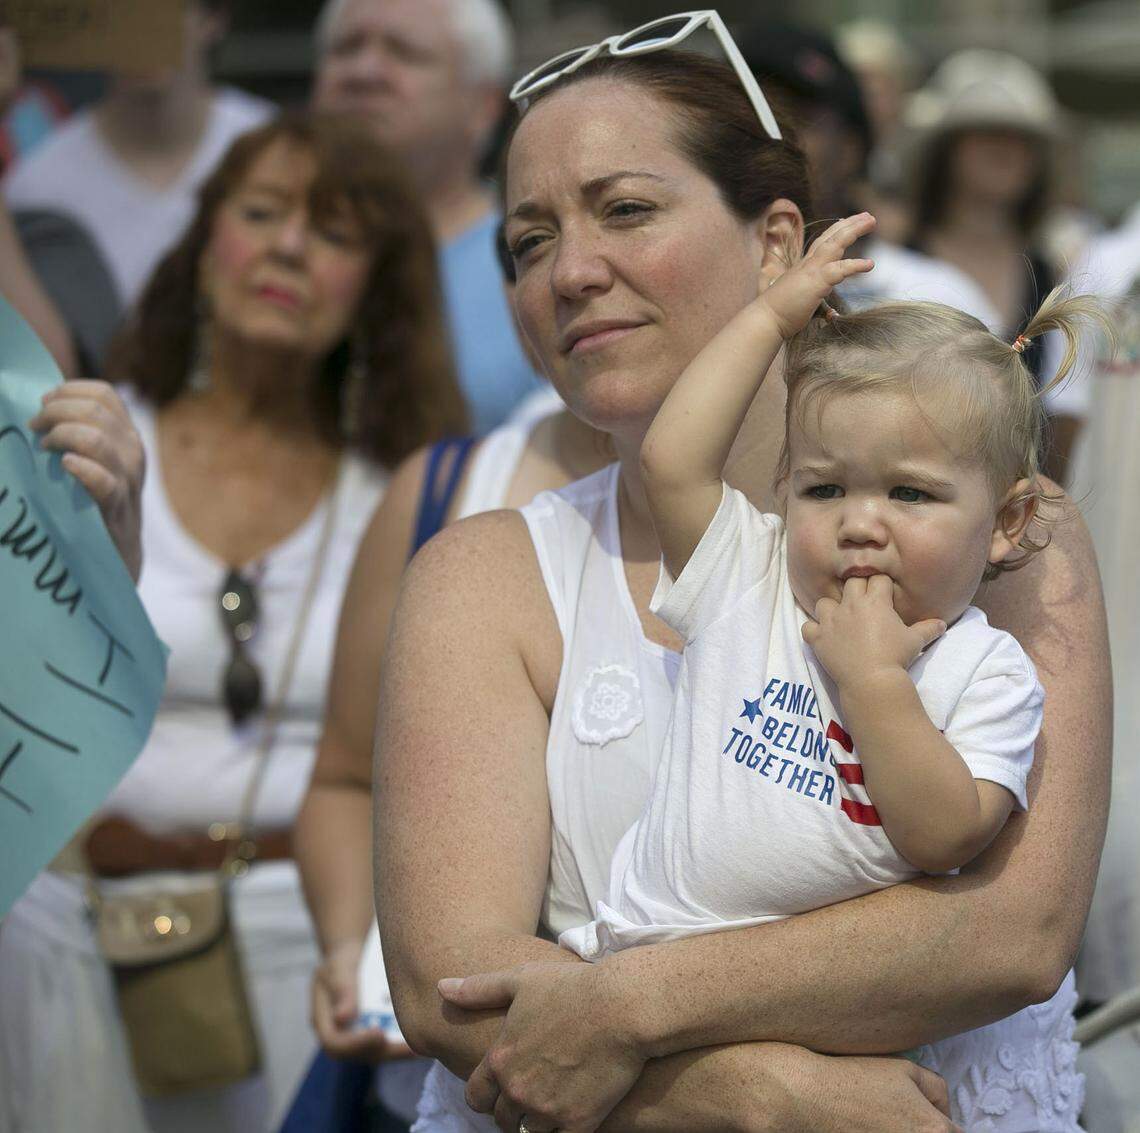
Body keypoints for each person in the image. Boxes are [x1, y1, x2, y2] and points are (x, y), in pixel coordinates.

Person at [374, 27, 1108, 1133]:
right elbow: (453, 978)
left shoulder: (1002, 536)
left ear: (777, 243)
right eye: (527, 240)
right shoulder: (481, 575)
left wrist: (628, 1000)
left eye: (624, 209)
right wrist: (755, 1091)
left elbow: (1014, 929)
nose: (569, 272)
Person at [0, 112, 465, 1133]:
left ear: (376, 291)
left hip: (305, 944)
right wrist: (104, 536)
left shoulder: (412, 495)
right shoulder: (85, 431)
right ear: (206, 242)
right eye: (260, 213)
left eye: (335, 234)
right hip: (68, 922)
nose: (289, 248)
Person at [311, 0, 542, 433]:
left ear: (484, 105)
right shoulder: (259, 244)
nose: (363, 71)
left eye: (403, 52)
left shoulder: (532, 257)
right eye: (345, 48)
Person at [3, 0, 272, 311]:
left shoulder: (273, 151)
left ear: (212, 18)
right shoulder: (34, 187)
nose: (140, 33)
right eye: (123, 11)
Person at [903, 50, 1061, 382]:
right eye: (987, 132)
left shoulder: (1051, 274)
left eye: (1022, 138)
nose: (1006, 149)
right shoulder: (894, 261)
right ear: (944, 150)